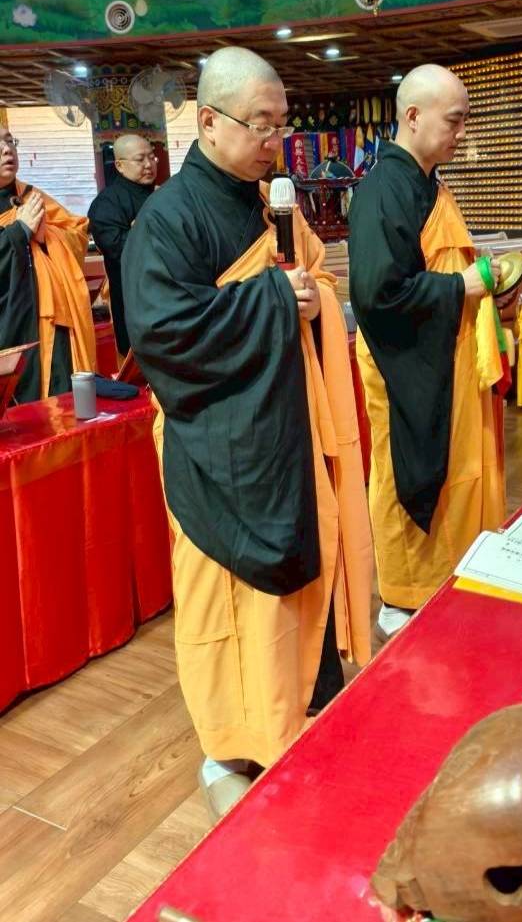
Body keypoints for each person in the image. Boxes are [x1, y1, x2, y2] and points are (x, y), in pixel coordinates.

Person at [122, 47, 372, 822]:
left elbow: (305, 284)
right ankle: (232, 745)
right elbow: (162, 335)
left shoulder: (267, 205)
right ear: (208, 122)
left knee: (299, 587)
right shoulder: (167, 221)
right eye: (261, 124)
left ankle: (296, 713)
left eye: (281, 124)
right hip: (221, 454)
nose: (275, 140)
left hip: (285, 431)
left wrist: (306, 296)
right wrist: (272, 299)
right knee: (235, 611)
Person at [349, 64, 508, 641]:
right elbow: (377, 295)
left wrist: (487, 289)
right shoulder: (383, 190)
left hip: (449, 358)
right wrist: (463, 286)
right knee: (408, 475)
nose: (462, 133)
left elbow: (442, 267)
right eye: (454, 121)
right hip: (407, 368)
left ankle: (451, 578)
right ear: (413, 116)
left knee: (459, 474)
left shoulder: (430, 185)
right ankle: (403, 597)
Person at [0, 125, 95, 402]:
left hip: (53, 320)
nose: (7, 150)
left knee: (62, 403)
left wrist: (45, 237)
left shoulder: (31, 197)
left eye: (10, 141)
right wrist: (19, 232)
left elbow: (77, 231)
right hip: (10, 329)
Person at [88, 134, 157, 357]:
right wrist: (149, 230)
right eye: (140, 159)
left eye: (152, 157)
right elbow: (120, 249)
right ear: (119, 165)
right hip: (135, 302)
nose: (149, 164)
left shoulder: (164, 194)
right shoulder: (107, 204)